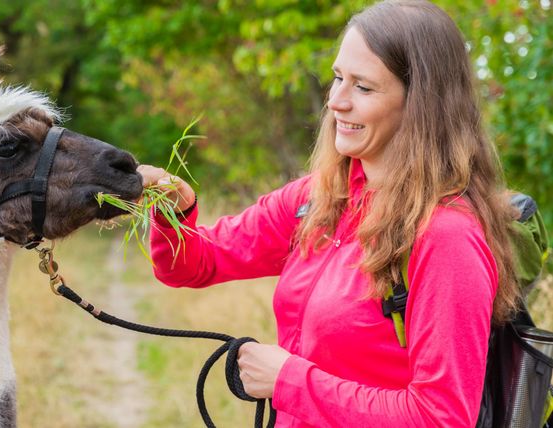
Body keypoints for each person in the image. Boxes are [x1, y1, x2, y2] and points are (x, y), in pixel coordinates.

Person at [136, 0, 520, 426]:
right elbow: (194, 264)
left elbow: (441, 417)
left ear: (420, 104)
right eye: (338, 78)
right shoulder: (319, 199)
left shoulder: (446, 237)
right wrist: (174, 210)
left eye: (363, 87)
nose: (336, 101)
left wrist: (288, 381)